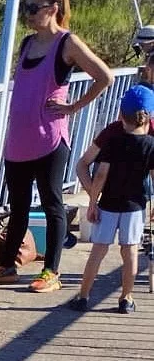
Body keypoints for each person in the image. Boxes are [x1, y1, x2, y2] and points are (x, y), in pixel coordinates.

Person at [0, 0, 114, 291]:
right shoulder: (27, 43)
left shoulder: (67, 43)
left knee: (52, 203)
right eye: (26, 7)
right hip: (19, 140)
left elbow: (104, 76)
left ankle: (51, 271)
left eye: (33, 8)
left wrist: (73, 106)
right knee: (18, 205)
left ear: (52, 9)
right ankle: (7, 265)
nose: (28, 13)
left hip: (50, 139)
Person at [69, 85, 154, 313]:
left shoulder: (113, 140)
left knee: (98, 251)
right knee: (130, 252)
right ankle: (126, 298)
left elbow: (100, 174)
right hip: (135, 207)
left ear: (121, 113)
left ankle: (83, 296)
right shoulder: (151, 145)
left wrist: (93, 202)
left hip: (108, 204)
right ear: (148, 116)